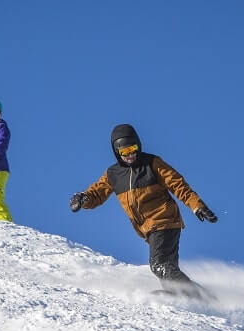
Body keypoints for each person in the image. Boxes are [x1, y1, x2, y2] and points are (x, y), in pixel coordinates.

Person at [69, 124, 218, 299]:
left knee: (158, 264)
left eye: (133, 149)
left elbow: (178, 185)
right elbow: (97, 193)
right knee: (168, 269)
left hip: (164, 220)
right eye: (125, 152)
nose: (130, 155)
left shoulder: (152, 163)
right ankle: (187, 295)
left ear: (138, 145)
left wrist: (197, 205)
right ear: (117, 153)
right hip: (149, 229)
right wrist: (83, 198)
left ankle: (199, 298)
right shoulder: (113, 174)